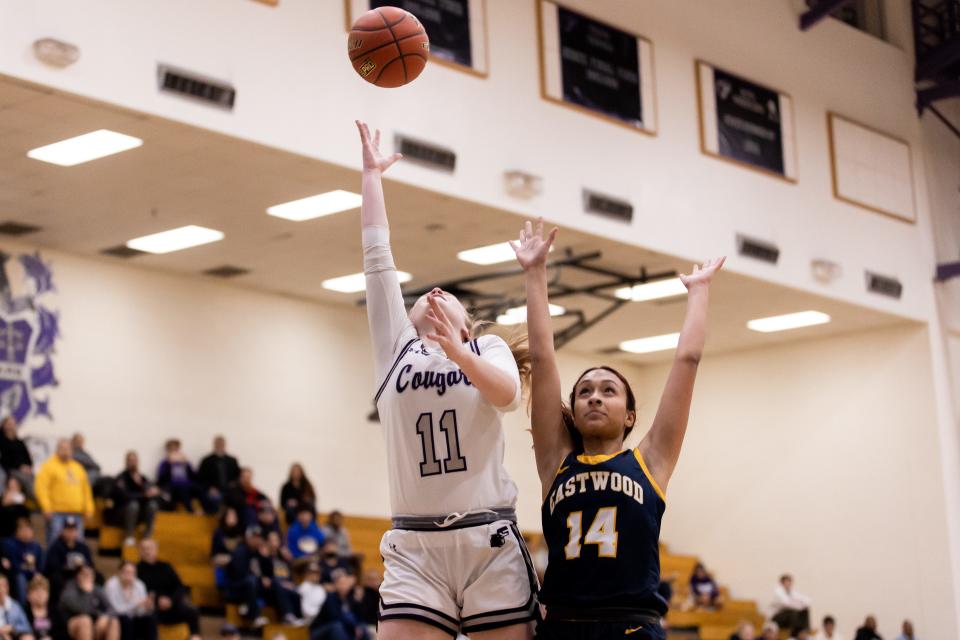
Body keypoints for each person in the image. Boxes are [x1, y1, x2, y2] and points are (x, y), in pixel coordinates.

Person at [356, 121, 534, 639]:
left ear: (465, 321)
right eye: (426, 293)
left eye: (449, 295)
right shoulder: (396, 350)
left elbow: (507, 394)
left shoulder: (486, 348)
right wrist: (371, 176)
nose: (435, 292)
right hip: (415, 547)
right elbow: (377, 261)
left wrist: (460, 353)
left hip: (488, 540)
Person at [511, 218, 724, 640]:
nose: (594, 397)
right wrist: (535, 273)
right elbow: (543, 356)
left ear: (629, 415)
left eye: (608, 391)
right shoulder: (556, 462)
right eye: (585, 390)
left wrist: (699, 292)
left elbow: (687, 362)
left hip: (632, 626)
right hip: (564, 626)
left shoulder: (651, 462)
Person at [135, 539, 201, 640]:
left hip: (172, 605)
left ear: (156, 550)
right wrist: (157, 601)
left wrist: (171, 600)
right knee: (148, 618)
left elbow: (180, 587)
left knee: (192, 612)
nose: (147, 551)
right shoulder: (136, 570)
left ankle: (195, 637)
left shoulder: (166, 567)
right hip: (152, 608)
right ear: (139, 551)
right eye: (144, 549)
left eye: (150, 548)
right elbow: (138, 593)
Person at [34, 439, 93, 544]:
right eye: (62, 448)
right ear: (57, 450)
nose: (65, 451)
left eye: (68, 449)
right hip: (56, 513)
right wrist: (46, 507)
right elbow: (41, 488)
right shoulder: (48, 466)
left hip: (77, 513)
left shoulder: (78, 468)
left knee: (77, 544)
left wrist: (89, 508)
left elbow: (86, 490)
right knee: (55, 543)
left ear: (72, 451)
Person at [110, 452, 160, 547]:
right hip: (123, 512)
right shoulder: (121, 478)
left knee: (153, 505)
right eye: (130, 460)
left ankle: (147, 536)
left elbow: (149, 492)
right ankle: (129, 536)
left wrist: (152, 490)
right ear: (126, 462)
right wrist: (143, 495)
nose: (133, 463)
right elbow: (124, 496)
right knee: (133, 505)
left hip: (139, 513)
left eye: (135, 460)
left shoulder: (142, 478)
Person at [223, 526, 269, 628]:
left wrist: (265, 558)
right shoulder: (240, 552)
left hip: (253, 587)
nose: (257, 540)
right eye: (254, 537)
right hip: (236, 587)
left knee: (273, 583)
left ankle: (247, 604)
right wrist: (260, 579)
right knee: (250, 581)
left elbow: (268, 572)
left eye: (259, 538)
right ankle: (255, 616)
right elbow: (239, 574)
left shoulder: (259, 553)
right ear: (248, 538)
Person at [41, 517, 92, 607]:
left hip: (81, 575)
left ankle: (92, 604)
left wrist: (83, 567)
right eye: (68, 530)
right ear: (63, 531)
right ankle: (59, 605)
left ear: (77, 531)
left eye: (73, 530)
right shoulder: (56, 546)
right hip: (64, 575)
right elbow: (52, 567)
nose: (71, 533)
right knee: (56, 579)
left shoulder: (83, 547)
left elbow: (91, 565)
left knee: (98, 577)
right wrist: (68, 567)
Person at [59, 564, 119, 640]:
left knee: (113, 621)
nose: (88, 577)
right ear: (78, 576)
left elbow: (112, 609)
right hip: (72, 624)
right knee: (85, 620)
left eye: (91, 574)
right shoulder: (69, 589)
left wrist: (105, 617)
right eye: (85, 574)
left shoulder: (97, 589)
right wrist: (86, 593)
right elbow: (83, 609)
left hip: (95, 624)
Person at [103, 562, 156, 640]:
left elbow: (141, 611)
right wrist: (136, 604)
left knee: (150, 618)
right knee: (126, 620)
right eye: (126, 572)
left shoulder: (140, 584)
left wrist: (148, 606)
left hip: (135, 617)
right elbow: (115, 609)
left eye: (132, 572)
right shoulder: (111, 584)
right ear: (119, 572)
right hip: (116, 618)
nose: (129, 575)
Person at [309, 570, 365, 640]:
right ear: (335, 585)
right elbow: (335, 617)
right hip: (320, 629)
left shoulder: (350, 598)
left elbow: (359, 615)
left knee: (362, 627)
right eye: (341, 583)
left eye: (346, 583)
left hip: (342, 628)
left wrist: (357, 625)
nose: (344, 586)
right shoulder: (330, 598)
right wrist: (353, 626)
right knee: (337, 626)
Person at [2, 519, 42, 607]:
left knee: (42, 580)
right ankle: (22, 607)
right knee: (20, 579)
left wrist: (37, 573)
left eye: (28, 530)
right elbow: (15, 565)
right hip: (19, 574)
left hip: (32, 575)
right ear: (17, 532)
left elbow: (40, 565)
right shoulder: (12, 545)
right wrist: (29, 572)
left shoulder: (36, 546)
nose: (26, 533)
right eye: (23, 530)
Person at [197, 436, 240, 515]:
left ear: (225, 445)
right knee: (215, 500)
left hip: (229, 490)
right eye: (218, 443)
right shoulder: (206, 460)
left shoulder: (232, 460)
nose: (220, 445)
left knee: (237, 500)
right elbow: (201, 478)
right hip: (214, 490)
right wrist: (210, 488)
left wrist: (234, 483)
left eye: (221, 444)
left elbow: (237, 475)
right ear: (214, 444)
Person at [155, 440, 198, 513]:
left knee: (198, 488)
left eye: (176, 449)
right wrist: (169, 465)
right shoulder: (164, 463)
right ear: (168, 451)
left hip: (186, 485)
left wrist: (186, 464)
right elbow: (161, 479)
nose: (174, 451)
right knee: (180, 488)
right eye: (172, 449)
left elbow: (194, 476)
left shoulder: (185, 462)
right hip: (171, 486)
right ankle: (190, 509)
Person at [0, 418, 33, 504]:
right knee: (14, 486)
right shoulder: (2, 442)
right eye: (9, 424)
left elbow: (29, 459)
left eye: (13, 424)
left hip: (24, 473)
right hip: (9, 471)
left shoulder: (20, 442)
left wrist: (27, 467)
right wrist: (19, 467)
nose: (11, 426)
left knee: (17, 496)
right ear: (4, 426)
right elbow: (4, 459)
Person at [211, 508, 243, 590]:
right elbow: (214, 556)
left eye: (234, 515)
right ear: (225, 517)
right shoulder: (219, 532)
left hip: (237, 565)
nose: (233, 518)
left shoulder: (240, 532)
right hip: (223, 563)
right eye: (230, 515)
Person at [0, 573, 34, 640]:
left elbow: (27, 627)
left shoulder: (14, 606)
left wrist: (13, 628)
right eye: (0, 585)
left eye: (4, 585)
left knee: (28, 638)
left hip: (14, 636)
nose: (2, 589)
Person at [24, 575, 56, 640]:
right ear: (28, 596)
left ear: (48, 595)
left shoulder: (55, 612)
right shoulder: (24, 613)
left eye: (43, 590)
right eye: (36, 591)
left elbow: (62, 634)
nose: (40, 594)